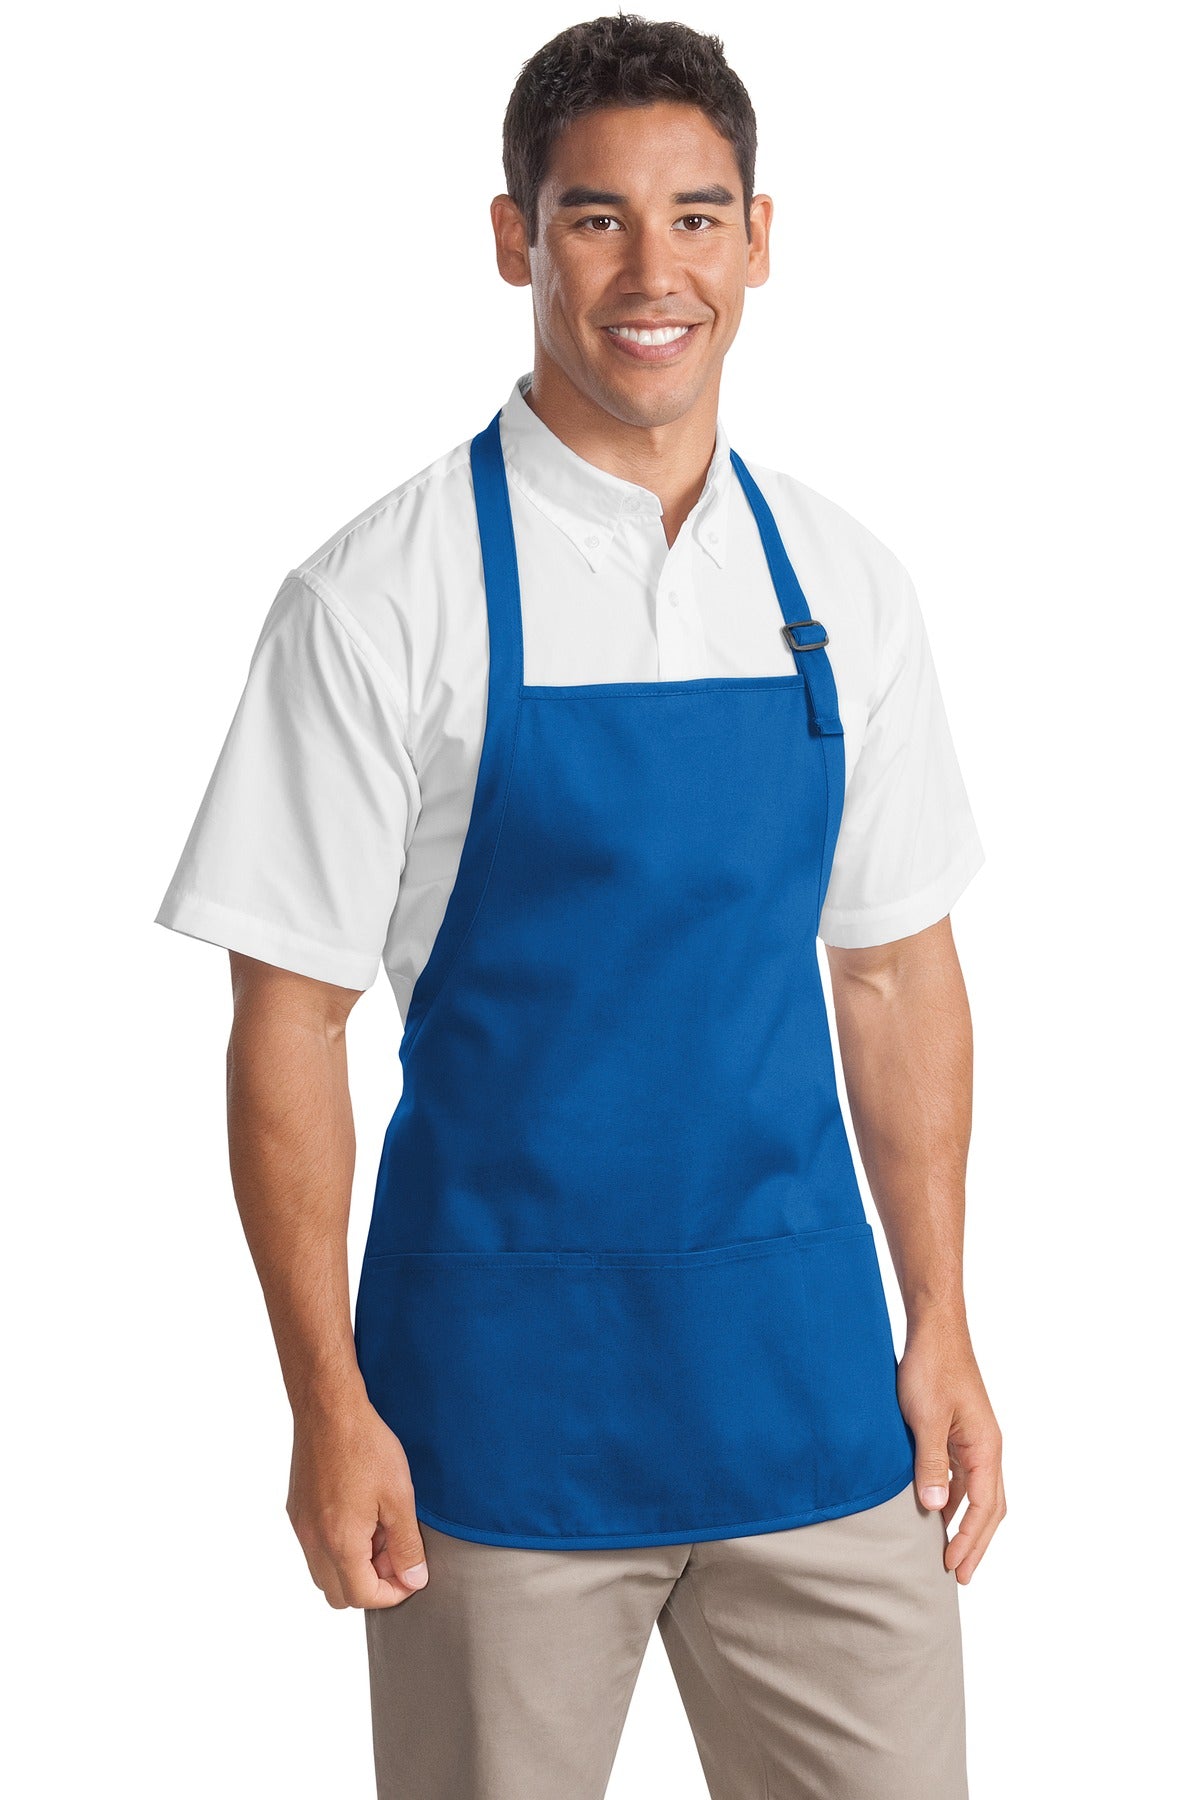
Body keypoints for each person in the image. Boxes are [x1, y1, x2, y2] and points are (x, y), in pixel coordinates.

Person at [155, 13, 1004, 1798]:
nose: (652, 270)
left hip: (810, 1402)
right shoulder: (379, 598)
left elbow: (894, 977)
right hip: (495, 1424)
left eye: (696, 218)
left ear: (759, 241)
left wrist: (941, 1316)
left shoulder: (845, 583)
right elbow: (288, 1024)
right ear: (513, 238)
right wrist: (327, 1404)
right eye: (596, 216)